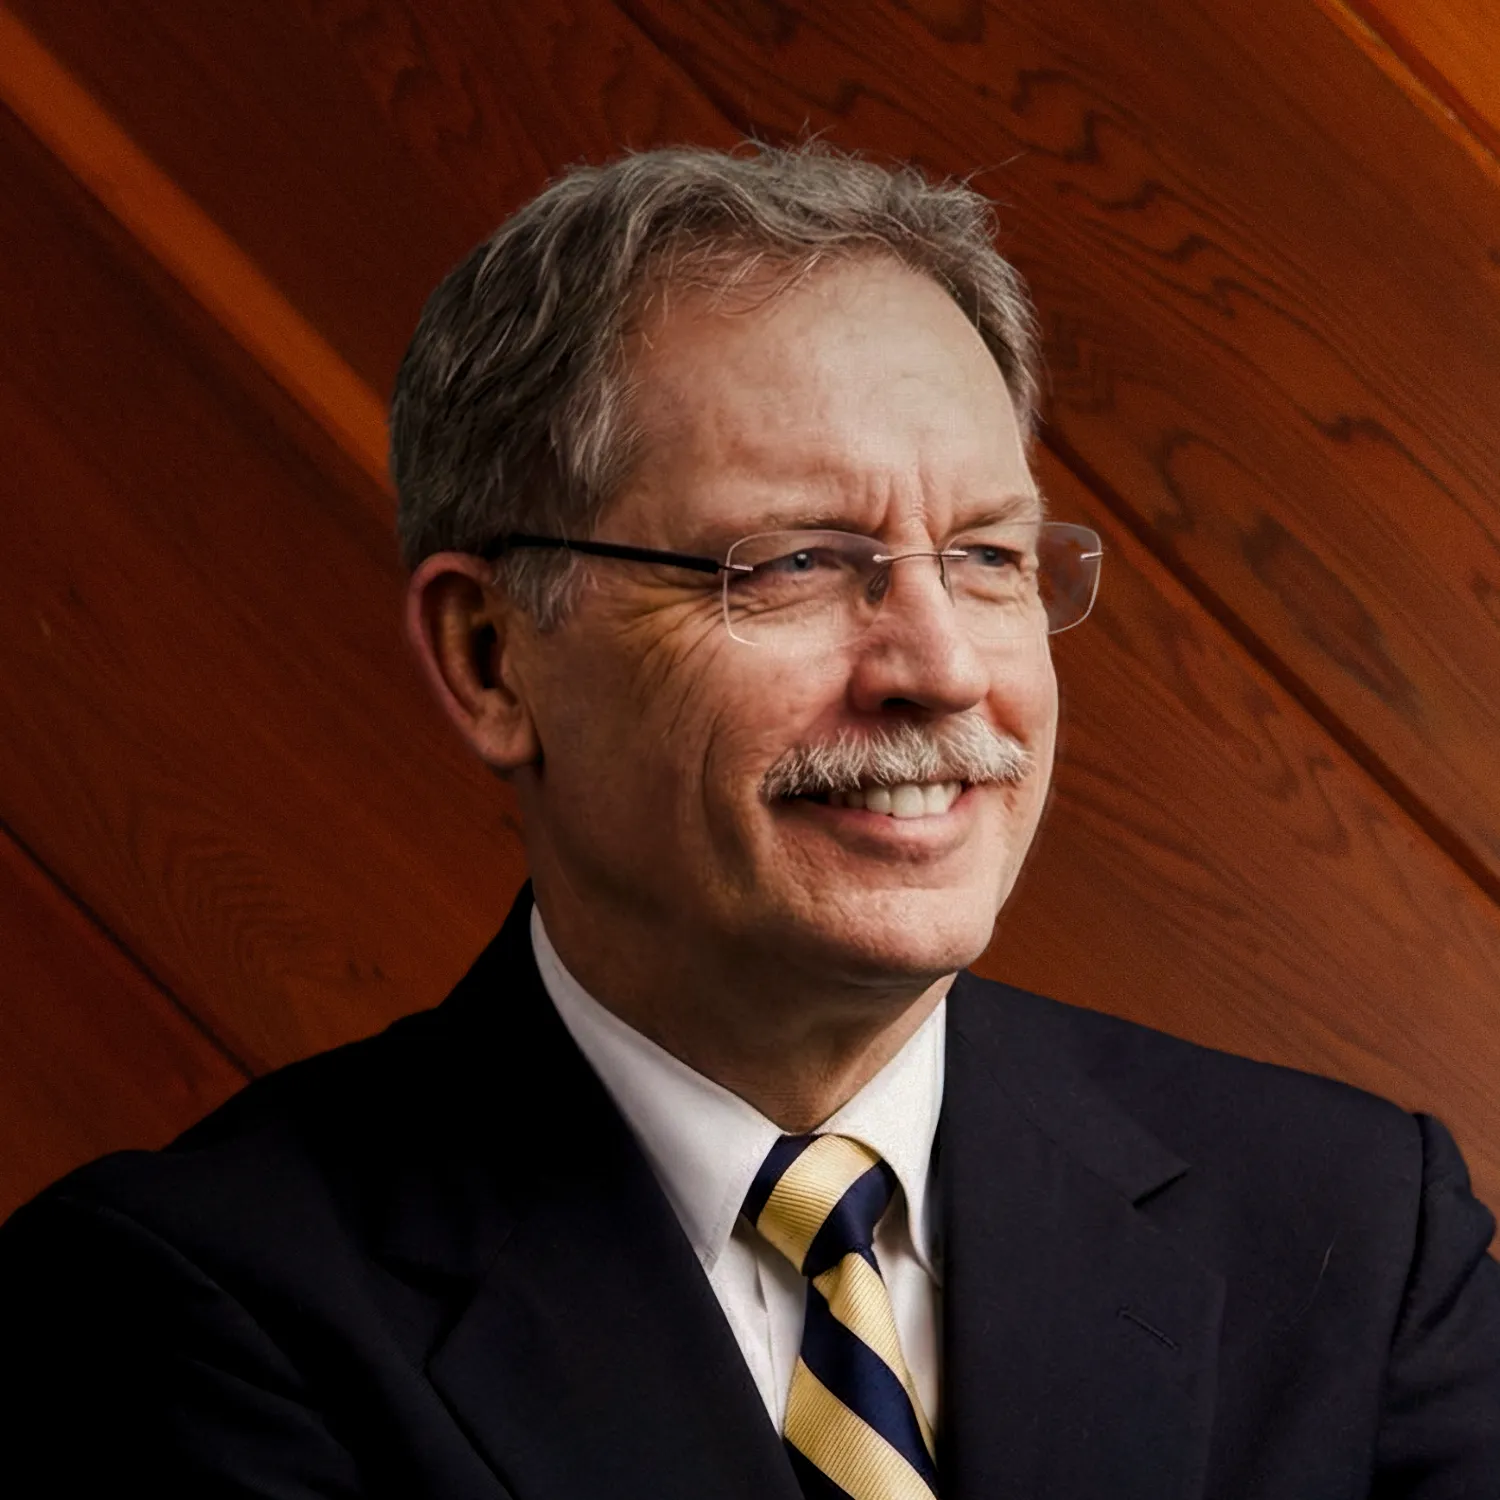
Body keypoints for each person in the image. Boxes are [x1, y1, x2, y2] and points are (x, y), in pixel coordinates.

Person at [2, 142, 1497, 1499]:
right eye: (792, 563)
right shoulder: (192, 1308)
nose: (940, 668)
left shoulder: (1354, 1234)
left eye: (984, 557)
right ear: (491, 659)